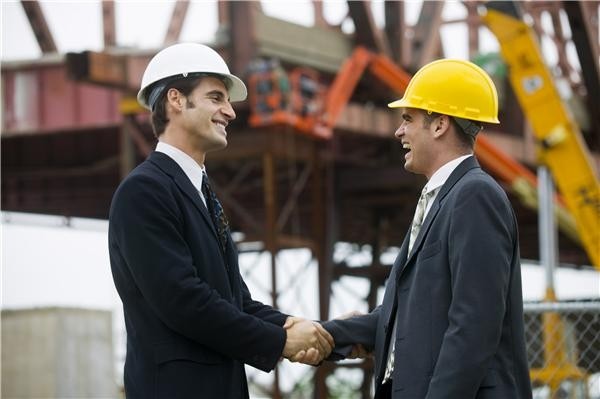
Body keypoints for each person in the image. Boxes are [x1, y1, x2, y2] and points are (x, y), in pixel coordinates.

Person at [108, 42, 333, 398]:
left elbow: (234, 302)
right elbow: (183, 301)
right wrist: (281, 342)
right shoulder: (144, 191)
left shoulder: (200, 190)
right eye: (216, 97)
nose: (230, 111)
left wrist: (298, 327)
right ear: (176, 100)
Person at [316, 59, 533, 398]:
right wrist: (322, 334)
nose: (399, 131)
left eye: (407, 119)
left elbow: (473, 326)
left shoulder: (474, 195)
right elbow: (408, 316)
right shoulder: (443, 198)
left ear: (439, 125)